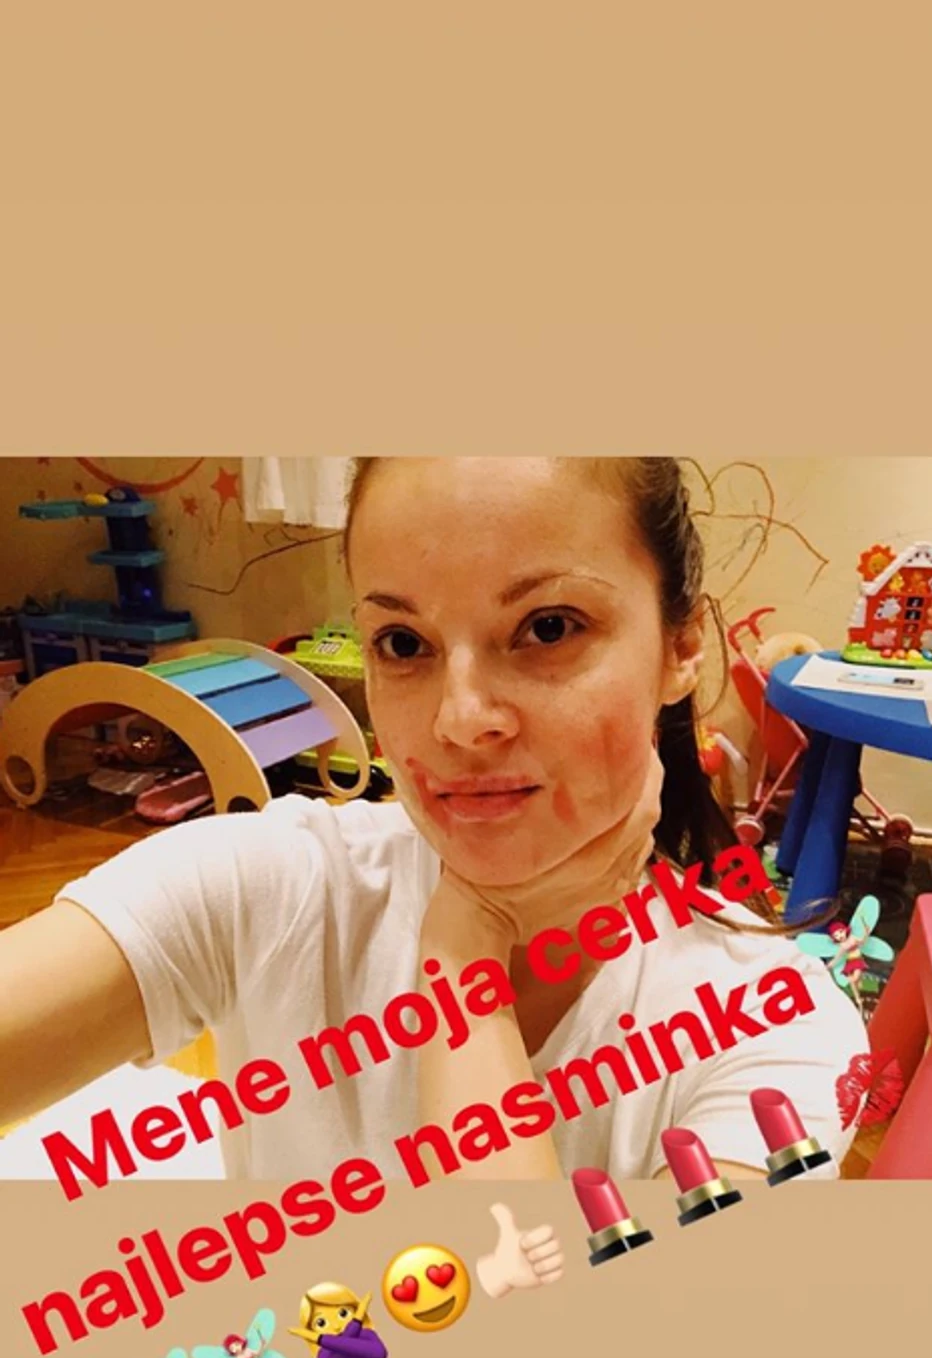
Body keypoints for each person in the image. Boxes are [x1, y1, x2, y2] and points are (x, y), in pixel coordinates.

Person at [0, 457, 867, 1184]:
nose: (460, 720)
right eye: (404, 643)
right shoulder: (268, 887)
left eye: (548, 626)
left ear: (681, 647)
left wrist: (463, 955)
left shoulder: (777, 1029)